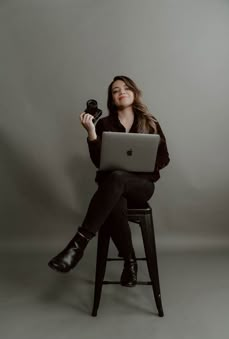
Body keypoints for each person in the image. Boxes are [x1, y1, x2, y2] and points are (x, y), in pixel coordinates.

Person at [48, 75, 170, 287]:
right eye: (115, 90)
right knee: (115, 195)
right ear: (112, 99)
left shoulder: (150, 122)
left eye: (125, 88)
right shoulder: (104, 123)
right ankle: (130, 262)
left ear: (134, 92)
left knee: (117, 177)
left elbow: (164, 158)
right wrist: (91, 133)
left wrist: (142, 165)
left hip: (141, 187)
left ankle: (78, 244)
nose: (121, 92)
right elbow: (98, 162)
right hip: (113, 190)